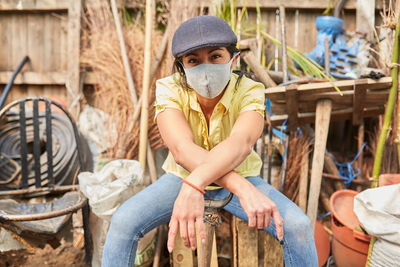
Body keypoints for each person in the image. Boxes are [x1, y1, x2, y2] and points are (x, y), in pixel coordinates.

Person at [102, 15, 318, 267]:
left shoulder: (250, 90)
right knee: (123, 222)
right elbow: (182, 150)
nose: (205, 68)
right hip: (182, 177)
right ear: (181, 67)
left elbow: (241, 143)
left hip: (231, 175)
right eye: (193, 60)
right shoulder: (169, 88)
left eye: (215, 56)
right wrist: (237, 186)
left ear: (233, 59)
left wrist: (197, 183)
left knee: (298, 227)